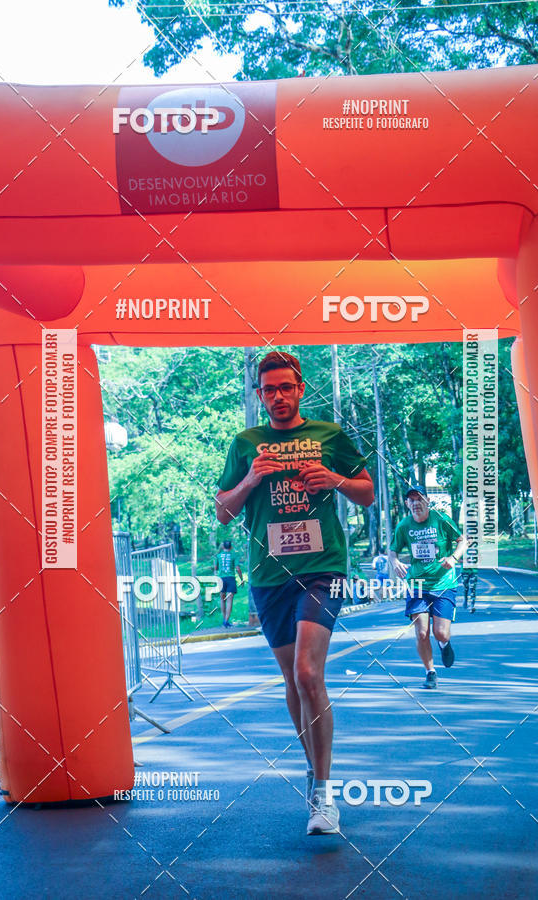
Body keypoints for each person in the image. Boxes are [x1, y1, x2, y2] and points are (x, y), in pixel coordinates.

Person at [215, 351, 374, 835]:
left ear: (301, 389)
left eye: (286, 387)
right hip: (268, 575)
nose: (278, 397)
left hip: (322, 568)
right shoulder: (247, 443)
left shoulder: (329, 436)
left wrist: (336, 480)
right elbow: (223, 511)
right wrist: (251, 478)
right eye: (269, 390)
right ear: (259, 394)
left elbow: (366, 491)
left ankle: (324, 797)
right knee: (292, 678)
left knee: (309, 672)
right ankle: (313, 767)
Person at [389, 485, 467, 690]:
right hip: (417, 584)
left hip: (443, 584)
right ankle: (430, 672)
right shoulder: (404, 526)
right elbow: (392, 551)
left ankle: (444, 644)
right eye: (411, 500)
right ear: (407, 504)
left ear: (427, 501)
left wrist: (453, 557)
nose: (415, 503)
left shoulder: (441, 519)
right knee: (422, 632)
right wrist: (395, 562)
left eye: (419, 499)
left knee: (441, 632)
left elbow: (462, 541)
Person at [214, 539, 243, 628]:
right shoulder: (234, 555)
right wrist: (241, 579)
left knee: (222, 600)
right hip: (230, 579)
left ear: (223, 547)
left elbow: (215, 568)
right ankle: (226, 621)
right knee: (229, 601)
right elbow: (237, 568)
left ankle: (224, 620)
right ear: (231, 547)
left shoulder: (218, 556)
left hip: (221, 579)